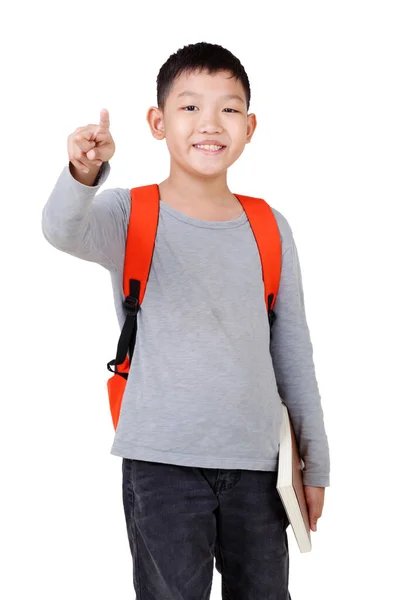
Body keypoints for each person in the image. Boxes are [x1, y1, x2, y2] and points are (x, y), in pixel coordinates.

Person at [41, 41, 330, 600]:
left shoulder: (270, 226)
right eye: (190, 106)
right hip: (160, 464)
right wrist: (84, 169)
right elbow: (61, 229)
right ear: (157, 121)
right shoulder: (128, 213)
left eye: (228, 108)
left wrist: (314, 463)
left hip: (259, 466)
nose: (210, 123)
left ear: (249, 126)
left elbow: (293, 352)